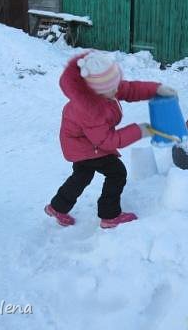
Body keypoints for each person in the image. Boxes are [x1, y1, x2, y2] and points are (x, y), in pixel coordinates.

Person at [45, 51, 177, 228]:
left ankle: (58, 207)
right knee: (116, 173)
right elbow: (107, 142)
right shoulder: (90, 110)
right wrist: (139, 131)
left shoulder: (103, 88)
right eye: (112, 88)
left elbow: (128, 89)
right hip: (87, 146)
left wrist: (155, 89)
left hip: (82, 142)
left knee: (82, 175)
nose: (117, 90)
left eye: (116, 85)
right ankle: (110, 215)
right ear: (96, 91)